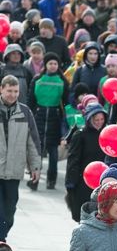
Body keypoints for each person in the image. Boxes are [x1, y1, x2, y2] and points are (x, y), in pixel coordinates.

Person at [0, 75, 40, 239]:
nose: (13, 95)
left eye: (16, 91)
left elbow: (33, 142)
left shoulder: (25, 112)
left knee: (9, 212)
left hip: (14, 171)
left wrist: (35, 166)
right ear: (1, 89)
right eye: (9, 91)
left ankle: (2, 236)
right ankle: (1, 241)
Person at [27, 52, 69, 190]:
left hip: (55, 118)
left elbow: (66, 102)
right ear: (45, 64)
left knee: (53, 153)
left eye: (55, 63)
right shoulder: (37, 79)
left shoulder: (62, 81)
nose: (53, 66)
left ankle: (51, 180)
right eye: (50, 63)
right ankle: (34, 180)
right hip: (39, 116)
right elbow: (30, 100)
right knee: (36, 152)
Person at [65, 103, 107, 222]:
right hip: (83, 181)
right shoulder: (80, 135)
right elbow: (73, 159)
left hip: (102, 181)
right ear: (89, 119)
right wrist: (70, 182)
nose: (99, 122)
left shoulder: (105, 134)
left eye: (102, 119)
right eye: (96, 120)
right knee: (84, 215)